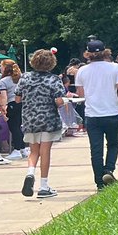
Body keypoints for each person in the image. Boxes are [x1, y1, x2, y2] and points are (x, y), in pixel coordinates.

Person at [75, 39, 118, 190]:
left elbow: (80, 94)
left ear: (87, 54)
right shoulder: (115, 67)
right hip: (112, 112)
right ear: (105, 52)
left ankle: (99, 182)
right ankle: (108, 170)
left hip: (92, 115)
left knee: (96, 149)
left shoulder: (82, 71)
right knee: (113, 144)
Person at [17, 49, 67, 198]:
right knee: (45, 151)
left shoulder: (25, 78)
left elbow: (18, 99)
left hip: (29, 119)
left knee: (33, 151)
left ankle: (30, 173)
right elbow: (59, 101)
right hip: (48, 119)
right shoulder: (53, 79)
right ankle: (44, 186)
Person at [0, 59, 26, 159]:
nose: (0, 68)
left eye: (1, 66)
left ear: (5, 68)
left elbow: (4, 96)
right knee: (18, 126)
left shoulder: (3, 81)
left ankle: (17, 149)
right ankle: (22, 148)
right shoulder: (22, 78)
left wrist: (3, 108)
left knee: (14, 128)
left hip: (12, 103)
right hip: (23, 103)